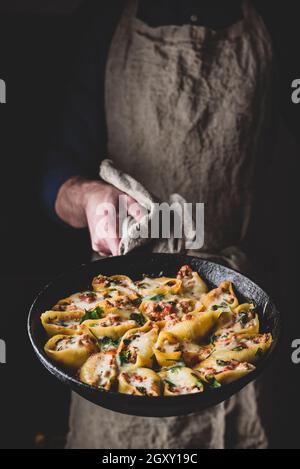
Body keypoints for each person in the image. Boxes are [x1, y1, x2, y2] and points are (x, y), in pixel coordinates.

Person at [43, 0, 281, 449]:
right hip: (117, 292)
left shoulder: (275, 20)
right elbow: (55, 176)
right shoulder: (106, 19)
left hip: (235, 297)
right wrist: (90, 197)